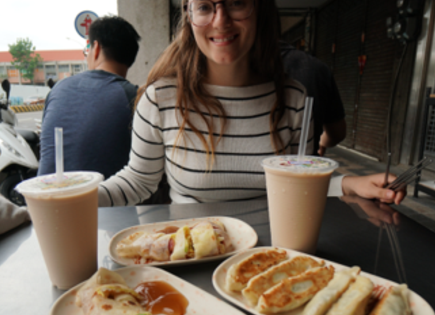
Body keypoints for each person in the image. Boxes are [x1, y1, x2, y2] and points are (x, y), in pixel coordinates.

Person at [97, 0, 406, 207]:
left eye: (237, 2)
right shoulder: (161, 99)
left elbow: (299, 184)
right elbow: (138, 181)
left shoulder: (294, 99)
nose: (221, 21)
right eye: (205, 6)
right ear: (189, 16)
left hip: (268, 266)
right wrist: (75, 198)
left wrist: (349, 184)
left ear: (259, 9)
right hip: (191, 266)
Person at [38, 15, 140, 180]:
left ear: (96, 48)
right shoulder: (134, 97)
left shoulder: (58, 89)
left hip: (45, 199)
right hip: (105, 201)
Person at [280, 41, 346, 156]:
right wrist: (322, 142)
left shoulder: (246, 66)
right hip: (307, 165)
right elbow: (337, 134)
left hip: (303, 168)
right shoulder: (316, 68)